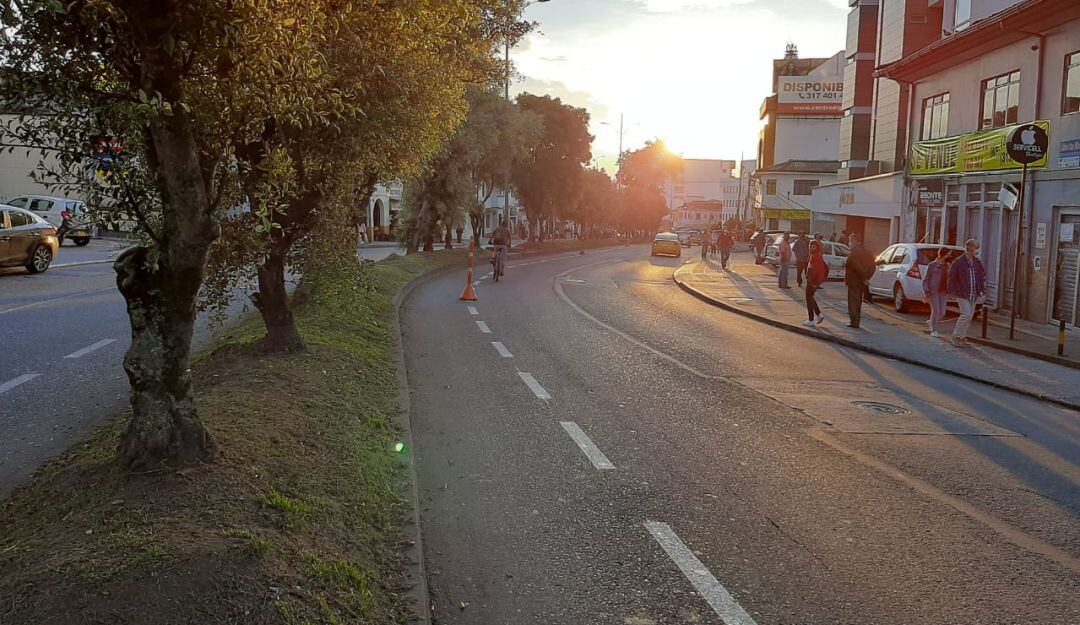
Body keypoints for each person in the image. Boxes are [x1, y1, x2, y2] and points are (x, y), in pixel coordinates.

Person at [947, 238, 987, 347]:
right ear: (969, 247)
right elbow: (951, 278)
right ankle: (955, 336)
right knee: (966, 314)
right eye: (975, 247)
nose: (977, 249)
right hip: (962, 292)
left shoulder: (977, 262)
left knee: (969, 316)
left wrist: (983, 289)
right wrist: (951, 292)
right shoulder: (958, 262)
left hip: (974, 292)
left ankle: (962, 336)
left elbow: (981, 276)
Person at [844, 234, 876, 328]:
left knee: (853, 302)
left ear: (854, 241)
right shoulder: (867, 252)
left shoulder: (855, 252)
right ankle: (856, 320)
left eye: (850, 241)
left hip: (854, 280)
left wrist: (863, 277)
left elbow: (857, 266)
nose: (849, 243)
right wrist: (867, 277)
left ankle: (854, 321)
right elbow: (873, 266)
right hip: (861, 281)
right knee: (858, 302)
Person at [922, 247, 951, 338]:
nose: (950, 256)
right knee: (936, 311)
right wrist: (926, 290)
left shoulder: (948, 266)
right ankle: (933, 330)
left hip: (943, 291)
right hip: (933, 291)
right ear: (944, 254)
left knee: (942, 312)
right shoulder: (932, 265)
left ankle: (931, 322)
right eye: (948, 254)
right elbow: (926, 279)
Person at [803, 240, 828, 328]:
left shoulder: (815, 257)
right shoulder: (816, 256)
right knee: (810, 298)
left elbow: (815, 271)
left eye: (813, 247)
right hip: (812, 281)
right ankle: (819, 314)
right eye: (810, 246)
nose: (811, 248)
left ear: (817, 248)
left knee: (808, 299)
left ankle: (811, 319)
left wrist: (814, 282)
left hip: (812, 282)